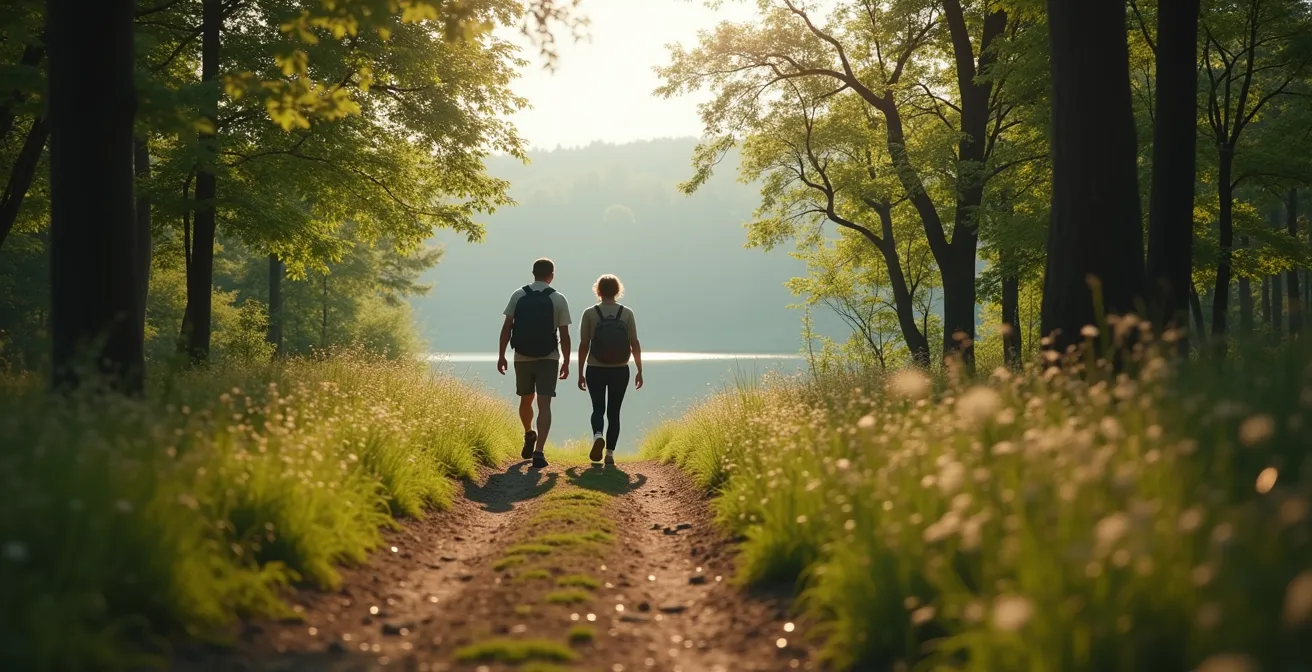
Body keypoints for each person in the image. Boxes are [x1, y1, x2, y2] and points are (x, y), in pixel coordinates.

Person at [498, 258, 571, 468]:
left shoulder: (518, 294)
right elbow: (565, 335)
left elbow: (507, 327)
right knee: (544, 404)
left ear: (533, 273)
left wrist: (501, 354)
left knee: (525, 400)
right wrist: (566, 361)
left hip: (522, 356)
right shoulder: (558, 298)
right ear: (552, 275)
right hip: (548, 357)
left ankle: (529, 433)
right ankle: (539, 452)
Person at [577, 274, 643, 466]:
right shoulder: (627, 313)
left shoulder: (590, 313)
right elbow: (635, 343)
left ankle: (598, 435)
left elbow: (583, 345)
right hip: (620, 370)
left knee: (598, 407)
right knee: (614, 412)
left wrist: (580, 372)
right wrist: (639, 370)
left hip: (595, 368)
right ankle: (610, 454)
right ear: (617, 291)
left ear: (598, 290)